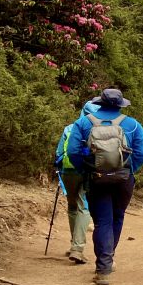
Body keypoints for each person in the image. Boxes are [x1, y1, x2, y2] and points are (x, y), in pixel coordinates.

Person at [67, 88, 143, 285]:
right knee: (117, 216)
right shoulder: (132, 124)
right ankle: (108, 260)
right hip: (123, 179)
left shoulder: (84, 122)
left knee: (102, 220)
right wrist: (129, 169)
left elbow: (73, 151)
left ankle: (103, 267)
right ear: (120, 105)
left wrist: (86, 170)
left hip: (96, 178)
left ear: (100, 103)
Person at [53, 101, 100, 264]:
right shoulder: (96, 129)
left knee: (72, 206)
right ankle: (77, 249)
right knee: (83, 205)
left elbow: (59, 153)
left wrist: (60, 169)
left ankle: (74, 244)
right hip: (85, 170)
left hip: (68, 171)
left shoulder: (69, 128)